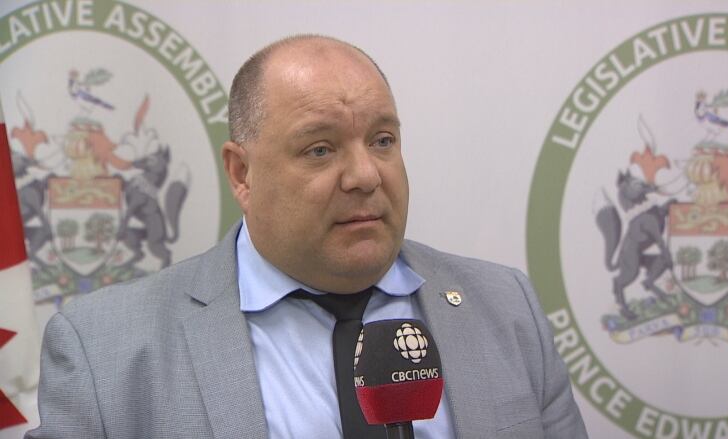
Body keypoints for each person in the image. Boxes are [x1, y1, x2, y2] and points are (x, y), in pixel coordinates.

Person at [27, 35, 588, 438]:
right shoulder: (106, 348)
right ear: (242, 173)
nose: (366, 175)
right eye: (320, 149)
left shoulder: (505, 305)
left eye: (383, 140)